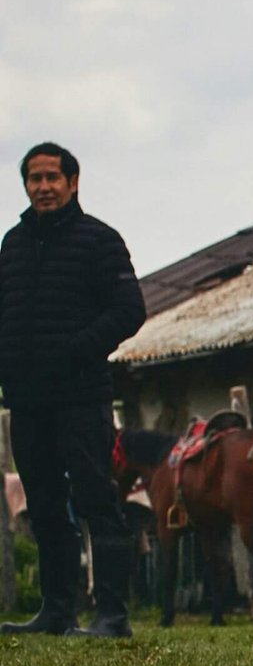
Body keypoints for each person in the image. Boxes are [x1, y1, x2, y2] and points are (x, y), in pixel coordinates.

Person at [0, 143, 145, 637]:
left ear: (73, 182)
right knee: (42, 505)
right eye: (33, 179)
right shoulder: (12, 245)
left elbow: (130, 310)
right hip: (26, 401)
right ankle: (56, 611)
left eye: (51, 178)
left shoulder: (99, 241)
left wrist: (76, 349)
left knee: (96, 501)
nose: (42, 187)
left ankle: (112, 615)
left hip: (82, 396)